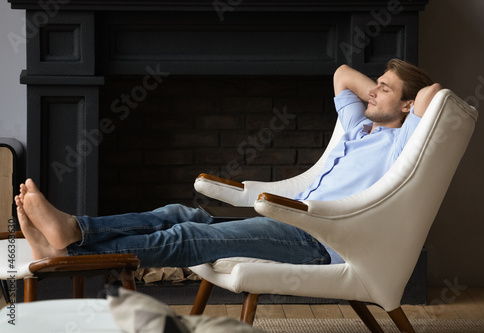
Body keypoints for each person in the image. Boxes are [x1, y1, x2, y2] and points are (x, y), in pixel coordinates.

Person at [15, 59, 441, 269]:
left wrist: (400, 104)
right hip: (290, 225)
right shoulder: (358, 128)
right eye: (376, 86)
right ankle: (73, 233)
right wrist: (382, 95)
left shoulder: (404, 141)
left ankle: (65, 256)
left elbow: (432, 93)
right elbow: (342, 73)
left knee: (186, 235)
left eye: (384, 90)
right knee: (178, 213)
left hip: (320, 240)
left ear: (406, 104)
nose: (372, 93)